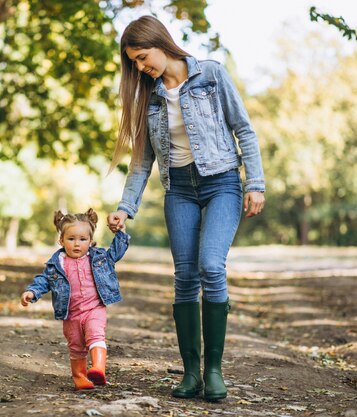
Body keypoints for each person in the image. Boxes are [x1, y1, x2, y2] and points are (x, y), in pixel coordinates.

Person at [107, 16, 265, 402]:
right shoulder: (149, 98)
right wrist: (125, 207)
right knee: (185, 278)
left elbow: (243, 128)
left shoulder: (211, 74)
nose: (142, 68)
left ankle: (214, 371)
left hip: (222, 183)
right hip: (178, 190)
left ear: (161, 43)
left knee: (211, 265)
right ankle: (191, 373)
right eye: (135, 64)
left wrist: (255, 183)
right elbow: (141, 162)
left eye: (143, 57)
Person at [21, 209, 129, 390]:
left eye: (82, 239)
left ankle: (98, 368)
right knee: (76, 346)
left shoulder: (99, 257)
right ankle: (80, 378)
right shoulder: (57, 264)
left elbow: (116, 252)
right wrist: (32, 292)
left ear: (91, 241)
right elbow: (44, 280)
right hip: (71, 314)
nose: (77, 244)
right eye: (71, 239)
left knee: (96, 334)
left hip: (95, 309)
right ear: (61, 240)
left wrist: (120, 232)